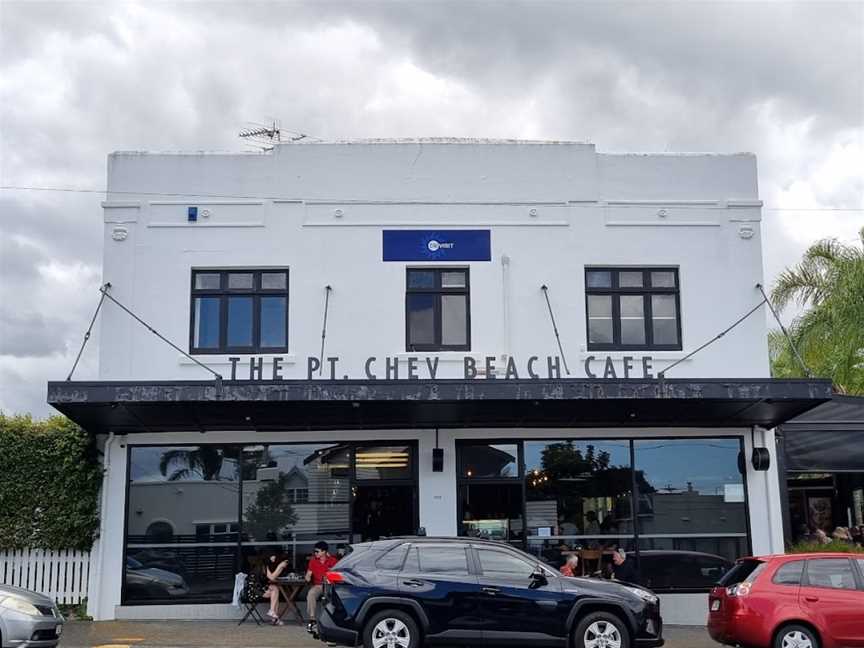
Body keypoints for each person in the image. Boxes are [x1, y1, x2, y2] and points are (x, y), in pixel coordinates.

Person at [305, 541, 338, 632]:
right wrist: (308, 576)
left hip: (330, 585)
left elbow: (338, 575)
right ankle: (312, 619)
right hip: (318, 585)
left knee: (330, 597)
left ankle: (330, 621)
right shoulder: (313, 561)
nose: (315, 553)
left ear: (324, 552)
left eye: (317, 551)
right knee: (311, 594)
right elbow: (308, 575)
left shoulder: (333, 561)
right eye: (314, 551)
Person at [261, 554, 289, 624]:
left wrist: (281, 567)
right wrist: (280, 566)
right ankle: (272, 613)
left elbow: (273, 577)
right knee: (275, 589)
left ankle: (274, 617)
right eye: (272, 555)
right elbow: (272, 578)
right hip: (254, 591)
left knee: (275, 590)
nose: (274, 557)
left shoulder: (269, 564)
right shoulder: (263, 565)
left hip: (263, 588)